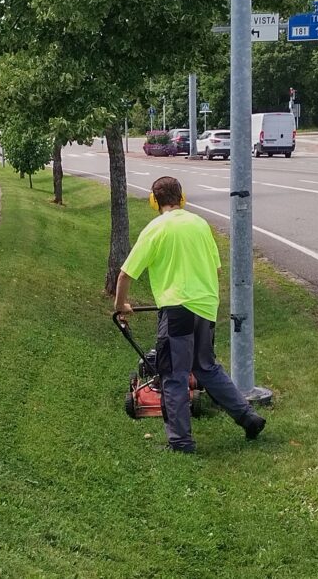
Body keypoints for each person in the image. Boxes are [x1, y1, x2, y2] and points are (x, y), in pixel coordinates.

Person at [114, 176, 266, 453]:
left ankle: (181, 442)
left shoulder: (156, 228)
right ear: (182, 199)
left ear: (154, 201)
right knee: (206, 367)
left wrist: (120, 306)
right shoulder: (200, 224)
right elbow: (217, 270)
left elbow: (125, 275)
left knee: (173, 374)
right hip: (206, 307)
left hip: (177, 310)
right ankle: (248, 417)